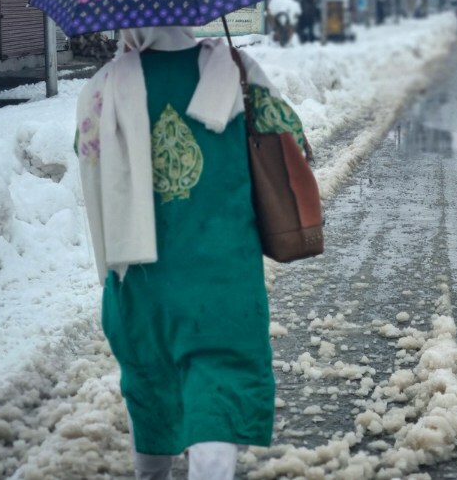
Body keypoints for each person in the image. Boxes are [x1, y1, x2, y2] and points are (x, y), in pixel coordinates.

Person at [76, 27, 304, 480]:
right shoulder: (236, 71)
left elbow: (89, 164)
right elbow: (291, 142)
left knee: (151, 392)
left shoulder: (106, 87)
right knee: (219, 391)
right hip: (226, 278)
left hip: (144, 282)